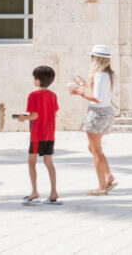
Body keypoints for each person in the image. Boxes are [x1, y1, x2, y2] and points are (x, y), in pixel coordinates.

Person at [69, 44, 116, 195]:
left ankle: (102, 186)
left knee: (96, 151)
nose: (91, 59)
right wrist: (85, 84)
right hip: (107, 112)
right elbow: (101, 93)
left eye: (92, 57)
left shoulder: (99, 75)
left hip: (97, 114)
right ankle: (108, 176)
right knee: (94, 148)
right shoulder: (109, 74)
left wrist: (79, 92)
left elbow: (96, 98)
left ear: (96, 59)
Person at [18, 65, 60, 205]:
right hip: (49, 134)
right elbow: (54, 114)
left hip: (37, 134)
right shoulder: (53, 95)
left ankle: (34, 191)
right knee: (49, 162)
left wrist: (23, 118)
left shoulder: (33, 95)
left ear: (37, 80)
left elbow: (34, 115)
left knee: (31, 162)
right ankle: (54, 192)